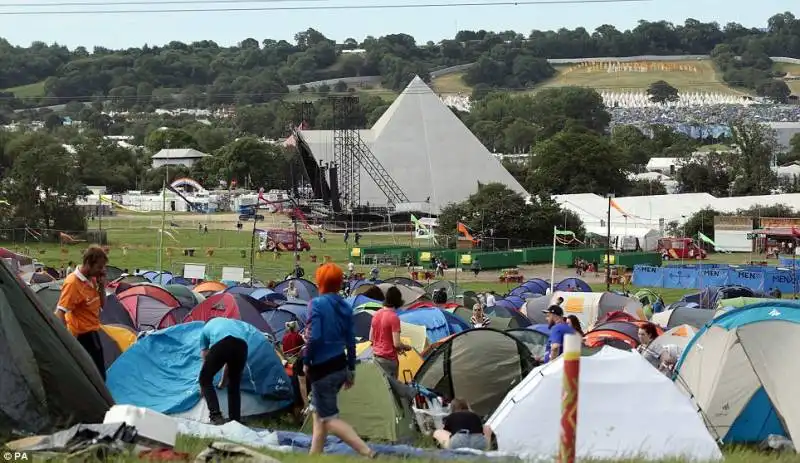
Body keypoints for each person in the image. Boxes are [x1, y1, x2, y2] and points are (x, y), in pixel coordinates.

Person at [306, 263, 374, 457]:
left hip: (322, 368)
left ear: (320, 282)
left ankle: (366, 451)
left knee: (328, 419)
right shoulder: (345, 306)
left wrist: (306, 359)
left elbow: (315, 337)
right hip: (340, 366)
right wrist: (351, 370)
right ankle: (313, 456)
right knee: (319, 416)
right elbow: (351, 342)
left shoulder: (316, 304)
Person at [55, 246, 108, 379]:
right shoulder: (72, 283)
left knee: (100, 376)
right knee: (92, 377)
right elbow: (59, 313)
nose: (103, 271)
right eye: (99, 267)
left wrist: (102, 286)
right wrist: (67, 342)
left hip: (93, 331)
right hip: (81, 336)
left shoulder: (93, 278)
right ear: (89, 264)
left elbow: (103, 304)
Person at [199, 317, 250, 425]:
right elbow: (229, 362)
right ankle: (235, 420)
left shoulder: (205, 329)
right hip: (242, 346)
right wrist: (223, 382)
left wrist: (203, 382)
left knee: (205, 379)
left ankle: (216, 416)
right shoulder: (229, 322)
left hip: (223, 343)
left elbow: (205, 356)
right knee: (234, 384)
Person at [369, 286, 413, 378]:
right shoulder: (394, 318)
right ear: (398, 302)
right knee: (391, 389)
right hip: (389, 361)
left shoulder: (376, 314)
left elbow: (371, 338)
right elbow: (396, 343)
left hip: (376, 358)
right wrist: (406, 347)